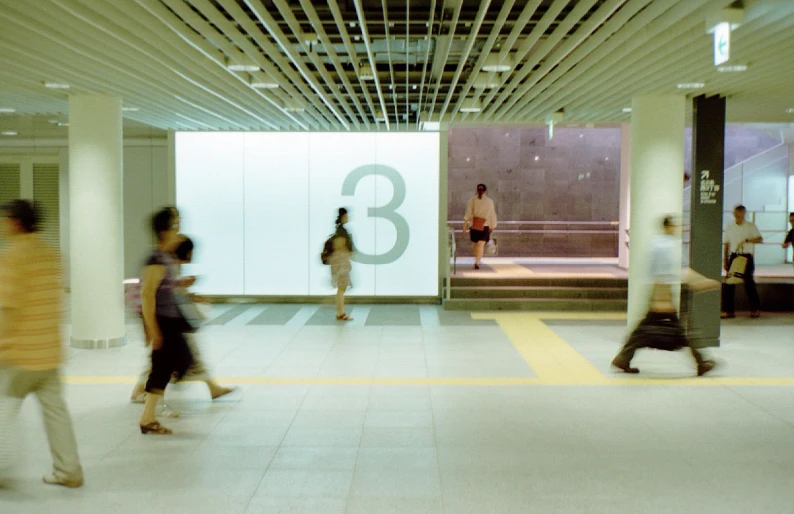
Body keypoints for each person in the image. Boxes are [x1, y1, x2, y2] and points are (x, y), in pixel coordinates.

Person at [0, 200, 83, 487]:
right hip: (49, 352)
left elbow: (8, 307)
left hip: (19, 355)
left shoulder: (12, 256)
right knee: (56, 414)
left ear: (15, 222)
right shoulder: (51, 254)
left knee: (2, 410)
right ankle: (69, 470)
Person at [129, 236, 233, 404]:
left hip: (172, 319)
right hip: (166, 319)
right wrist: (152, 328)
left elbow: (170, 290)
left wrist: (189, 292)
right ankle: (141, 394)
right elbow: (158, 292)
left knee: (187, 355)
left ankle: (212, 388)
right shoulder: (160, 260)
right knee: (162, 359)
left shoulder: (167, 261)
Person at [611, 215, 718, 377]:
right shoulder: (666, 246)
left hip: (661, 294)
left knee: (646, 330)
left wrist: (702, 282)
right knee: (679, 332)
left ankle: (623, 358)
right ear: (667, 226)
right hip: (662, 295)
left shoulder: (661, 244)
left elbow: (677, 272)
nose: (678, 228)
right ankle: (701, 362)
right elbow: (666, 275)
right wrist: (662, 300)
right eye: (675, 225)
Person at [138, 208, 195, 435]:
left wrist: (182, 285)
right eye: (175, 224)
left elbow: (164, 288)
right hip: (163, 321)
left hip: (170, 320)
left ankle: (149, 416)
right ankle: (147, 417)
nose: (179, 227)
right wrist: (152, 329)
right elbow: (146, 294)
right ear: (165, 230)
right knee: (166, 367)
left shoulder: (166, 257)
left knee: (170, 365)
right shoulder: (156, 260)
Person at [722, 205, 762, 319]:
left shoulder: (750, 226)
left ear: (744, 213)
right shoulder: (730, 227)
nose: (738, 216)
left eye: (740, 214)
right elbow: (727, 244)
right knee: (729, 284)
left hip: (746, 256)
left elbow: (759, 239)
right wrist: (725, 259)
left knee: (749, 283)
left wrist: (746, 240)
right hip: (734, 256)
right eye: (736, 214)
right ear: (734, 214)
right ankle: (728, 311)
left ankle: (755, 309)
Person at [463, 183, 497, 270]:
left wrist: (464, 226)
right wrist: (492, 226)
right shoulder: (489, 201)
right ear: (485, 191)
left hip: (474, 225)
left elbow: (468, 214)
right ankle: (477, 262)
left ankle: (476, 258)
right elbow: (492, 214)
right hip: (484, 225)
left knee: (475, 244)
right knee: (481, 245)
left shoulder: (472, 200)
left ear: (476, 190)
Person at [330, 208, 354, 321]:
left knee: (341, 288)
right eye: (347, 216)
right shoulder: (341, 231)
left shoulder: (339, 230)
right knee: (341, 289)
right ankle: (340, 313)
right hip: (341, 264)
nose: (348, 218)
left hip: (339, 263)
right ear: (343, 217)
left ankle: (340, 312)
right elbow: (340, 247)